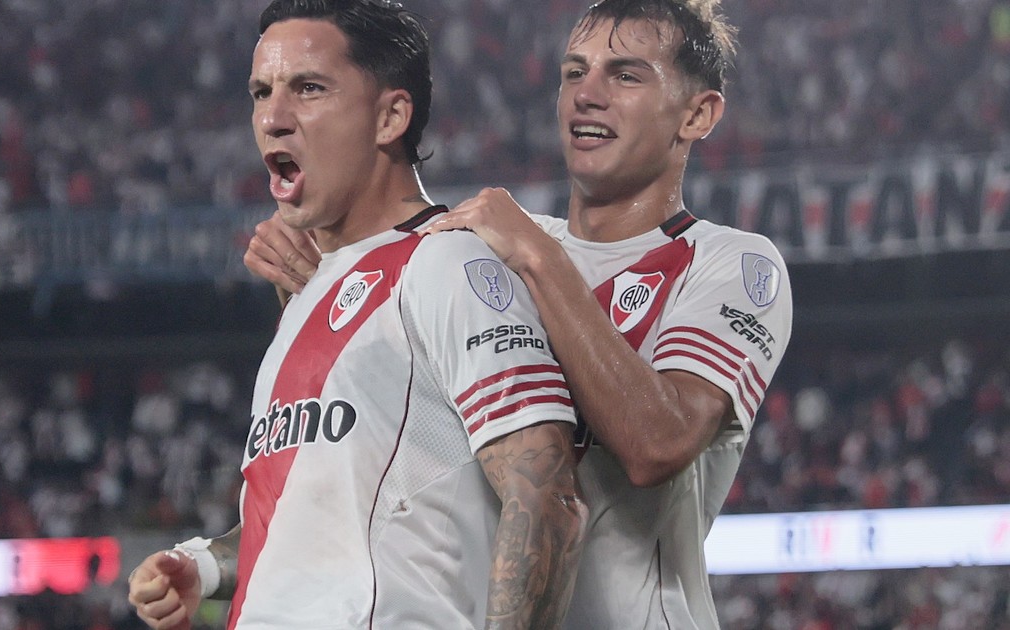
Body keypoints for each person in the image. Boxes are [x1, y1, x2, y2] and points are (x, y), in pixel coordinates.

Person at [247, 1, 793, 628]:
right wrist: (313, 273)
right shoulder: (481, 250)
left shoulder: (731, 264)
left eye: (625, 75)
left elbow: (658, 443)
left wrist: (539, 256)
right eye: (574, 72)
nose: (587, 95)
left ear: (698, 114)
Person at [127, 1, 587, 629]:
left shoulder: (445, 264)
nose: (273, 118)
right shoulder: (308, 291)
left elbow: (547, 496)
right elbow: (306, 521)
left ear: (390, 117)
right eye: (261, 92)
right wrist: (204, 566)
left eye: (308, 88)